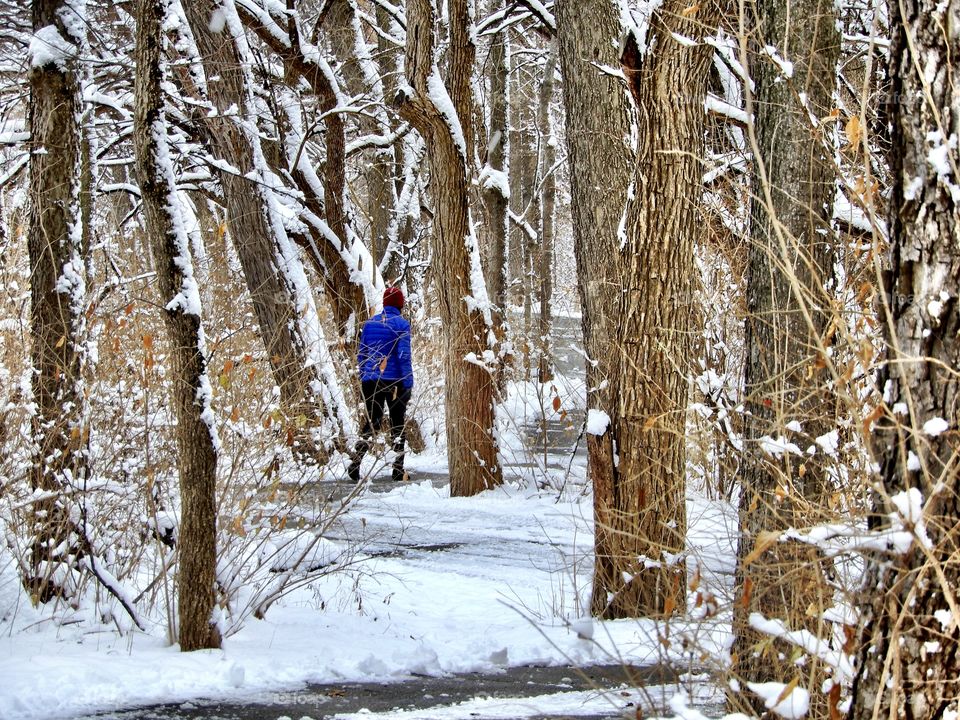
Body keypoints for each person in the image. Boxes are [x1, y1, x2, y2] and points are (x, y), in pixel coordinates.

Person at [348, 286, 414, 482]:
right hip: (394, 381)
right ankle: (398, 469)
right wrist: (408, 382)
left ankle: (356, 462)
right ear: (400, 304)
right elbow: (403, 355)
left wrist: (365, 374)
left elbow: (361, 354)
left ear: (385, 303)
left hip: (371, 381)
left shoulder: (369, 324)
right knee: (397, 423)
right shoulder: (402, 325)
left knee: (372, 421)